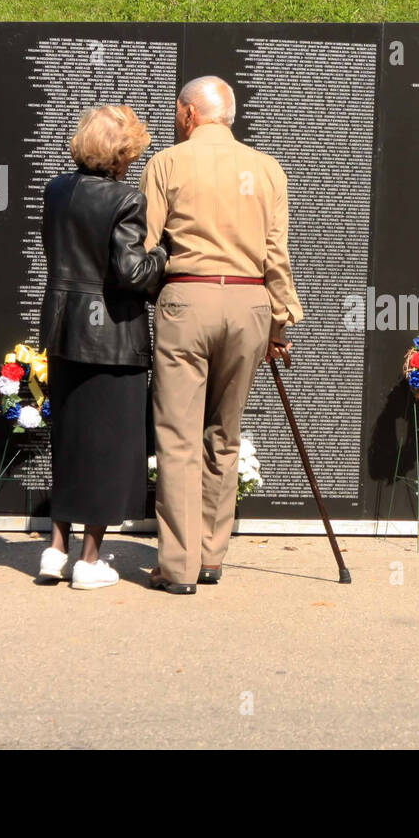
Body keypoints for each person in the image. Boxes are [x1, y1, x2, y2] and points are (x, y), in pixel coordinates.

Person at [142, 76, 303, 595]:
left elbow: (146, 245)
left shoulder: (166, 163)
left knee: (177, 435)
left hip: (187, 299)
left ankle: (178, 565)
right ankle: (212, 555)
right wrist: (279, 322)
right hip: (250, 301)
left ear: (189, 114)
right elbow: (276, 254)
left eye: (176, 112)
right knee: (224, 434)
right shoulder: (267, 168)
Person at [37, 105, 168, 589]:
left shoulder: (55, 190)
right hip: (112, 339)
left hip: (64, 333)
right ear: (122, 152)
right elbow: (132, 274)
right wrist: (163, 254)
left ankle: (55, 549)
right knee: (108, 450)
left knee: (68, 442)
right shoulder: (126, 201)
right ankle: (89, 561)